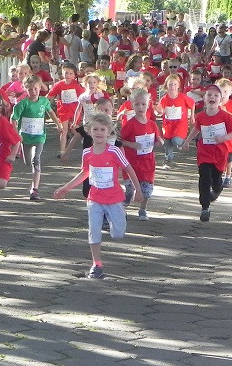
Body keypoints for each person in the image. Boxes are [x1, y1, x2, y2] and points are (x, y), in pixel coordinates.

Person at [53, 112, 142, 279]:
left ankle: (117, 217)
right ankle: (97, 264)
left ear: (109, 132)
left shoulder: (115, 151)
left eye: (103, 129)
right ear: (89, 131)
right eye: (95, 129)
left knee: (118, 234)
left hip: (114, 199)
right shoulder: (87, 152)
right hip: (94, 199)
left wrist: (137, 189)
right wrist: (66, 188)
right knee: (94, 231)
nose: (99, 132)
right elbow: (84, 173)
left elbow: (128, 169)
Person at [181, 85, 232, 222]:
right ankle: (205, 208)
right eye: (209, 95)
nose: (212, 97)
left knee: (216, 180)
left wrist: (224, 138)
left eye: (215, 96)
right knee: (204, 177)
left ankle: (217, 189)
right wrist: (187, 141)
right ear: (204, 98)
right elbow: (196, 128)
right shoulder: (201, 115)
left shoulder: (225, 116)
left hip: (219, 153)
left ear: (220, 100)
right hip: (204, 151)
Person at [11, 75, 61, 201]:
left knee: (36, 159)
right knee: (28, 161)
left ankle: (34, 189)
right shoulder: (23, 104)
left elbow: (50, 112)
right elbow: (14, 119)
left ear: (40, 88)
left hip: (40, 135)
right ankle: (25, 155)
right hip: (26, 137)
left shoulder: (44, 101)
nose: (33, 92)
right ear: (25, 90)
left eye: (35, 89)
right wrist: (16, 134)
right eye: (30, 89)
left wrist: (58, 124)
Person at [119, 88, 163, 220]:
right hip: (132, 162)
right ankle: (123, 203)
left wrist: (160, 141)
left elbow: (158, 138)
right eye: (137, 104)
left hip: (148, 162)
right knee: (130, 188)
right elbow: (120, 140)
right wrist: (131, 144)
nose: (140, 107)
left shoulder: (152, 124)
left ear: (148, 104)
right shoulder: (130, 124)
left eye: (143, 104)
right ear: (132, 105)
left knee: (147, 189)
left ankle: (143, 209)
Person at [155, 72, 195, 168]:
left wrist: (192, 116)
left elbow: (192, 103)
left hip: (180, 124)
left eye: (175, 84)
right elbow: (160, 110)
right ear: (166, 86)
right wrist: (158, 111)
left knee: (175, 141)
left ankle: (182, 143)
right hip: (168, 124)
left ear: (178, 86)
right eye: (170, 84)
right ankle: (168, 160)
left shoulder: (183, 97)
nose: (172, 86)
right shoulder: (164, 99)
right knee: (168, 143)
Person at [47, 63, 84, 157]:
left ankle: (85, 142)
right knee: (64, 130)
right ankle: (62, 151)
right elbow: (49, 96)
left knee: (75, 128)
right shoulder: (58, 85)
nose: (68, 75)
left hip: (74, 109)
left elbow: (83, 96)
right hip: (63, 109)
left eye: (70, 73)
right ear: (62, 73)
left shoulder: (76, 85)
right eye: (66, 73)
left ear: (74, 75)